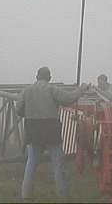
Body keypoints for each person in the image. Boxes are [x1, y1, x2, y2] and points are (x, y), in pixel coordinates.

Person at [16, 66, 88, 202]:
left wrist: (30, 113)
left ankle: (26, 196)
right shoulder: (51, 89)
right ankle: (62, 196)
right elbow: (69, 98)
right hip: (50, 130)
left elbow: (18, 109)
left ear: (36, 77)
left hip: (32, 130)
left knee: (31, 162)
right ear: (49, 78)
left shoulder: (26, 91)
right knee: (58, 163)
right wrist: (81, 90)